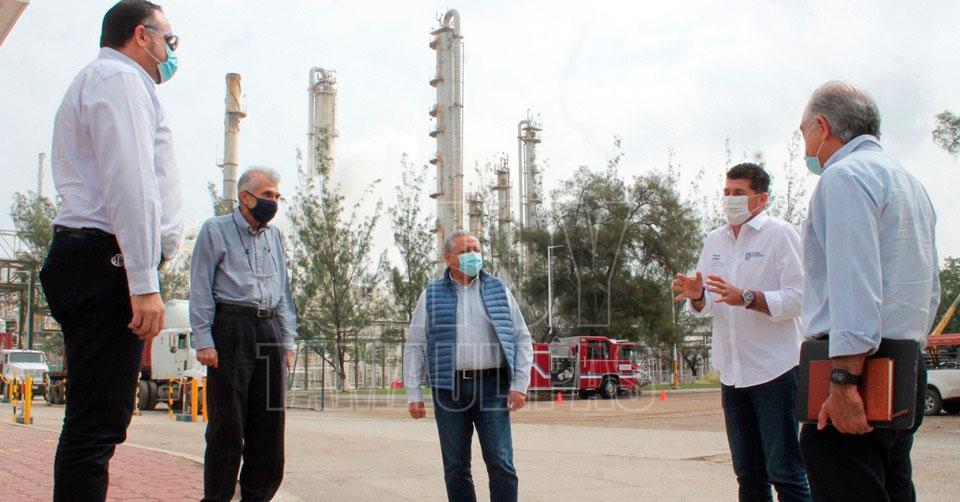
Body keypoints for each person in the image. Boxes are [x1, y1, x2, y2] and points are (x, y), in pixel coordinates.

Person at [39, 1, 183, 500]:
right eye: (169, 40)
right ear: (142, 35)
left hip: (97, 257)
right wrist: (143, 280)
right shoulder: (120, 80)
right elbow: (132, 182)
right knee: (97, 422)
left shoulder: (106, 80)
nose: (172, 52)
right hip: (107, 261)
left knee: (95, 419)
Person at [797, 81, 940, 501]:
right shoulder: (909, 183)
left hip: (860, 372)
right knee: (894, 484)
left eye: (804, 132)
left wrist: (844, 381)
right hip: (904, 363)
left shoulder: (844, 177)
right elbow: (929, 289)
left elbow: (853, 284)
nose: (806, 145)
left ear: (822, 127)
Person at [673, 163, 811, 501]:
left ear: (761, 199)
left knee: (786, 473)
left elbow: (800, 298)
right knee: (748, 476)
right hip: (733, 374)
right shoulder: (714, 241)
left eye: (739, 193)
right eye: (726, 193)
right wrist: (697, 296)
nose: (730, 199)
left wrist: (748, 298)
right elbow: (709, 304)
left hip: (776, 372)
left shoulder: (780, 235)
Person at [190, 167, 297, 502]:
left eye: (277, 196)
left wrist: (287, 340)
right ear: (245, 196)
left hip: (269, 330)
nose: (273, 202)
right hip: (231, 327)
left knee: (269, 427)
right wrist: (204, 339)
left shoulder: (275, 237)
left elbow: (283, 292)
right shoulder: (215, 230)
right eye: (267, 195)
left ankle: (257, 496)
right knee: (228, 426)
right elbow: (201, 286)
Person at [404, 230, 534, 502]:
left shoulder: (498, 290)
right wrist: (414, 393)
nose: (473, 255)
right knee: (456, 466)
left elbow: (522, 337)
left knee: (501, 462)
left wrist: (520, 384)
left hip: (492, 387)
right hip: (448, 389)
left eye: (476, 249)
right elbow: (415, 344)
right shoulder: (431, 295)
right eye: (465, 251)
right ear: (448, 258)